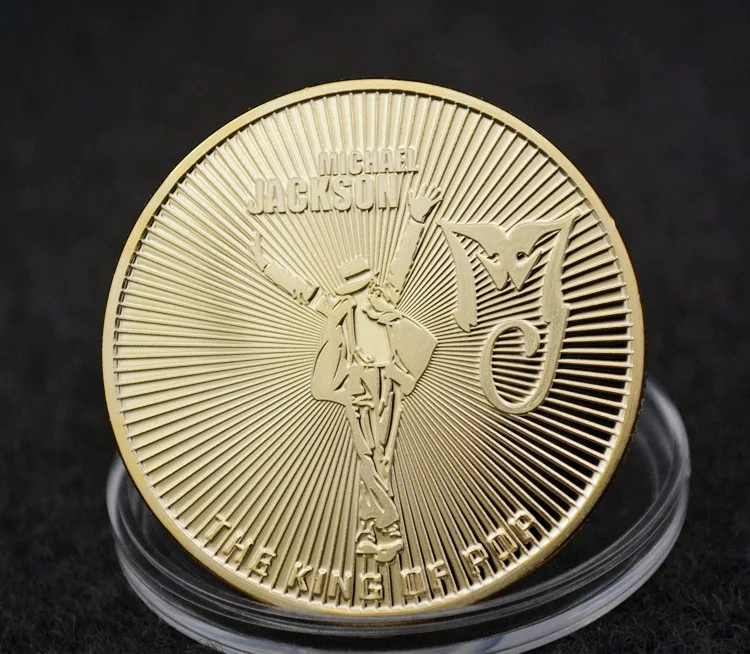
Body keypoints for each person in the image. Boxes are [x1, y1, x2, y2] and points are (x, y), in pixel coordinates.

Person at [252, 185, 442, 563]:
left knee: (379, 455)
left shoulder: (384, 301)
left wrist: (416, 220)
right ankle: (386, 528)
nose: (363, 293)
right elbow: (304, 291)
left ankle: (371, 528)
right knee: (368, 454)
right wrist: (265, 266)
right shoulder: (341, 310)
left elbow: (402, 262)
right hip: (358, 383)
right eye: (358, 289)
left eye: (365, 286)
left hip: (387, 382)